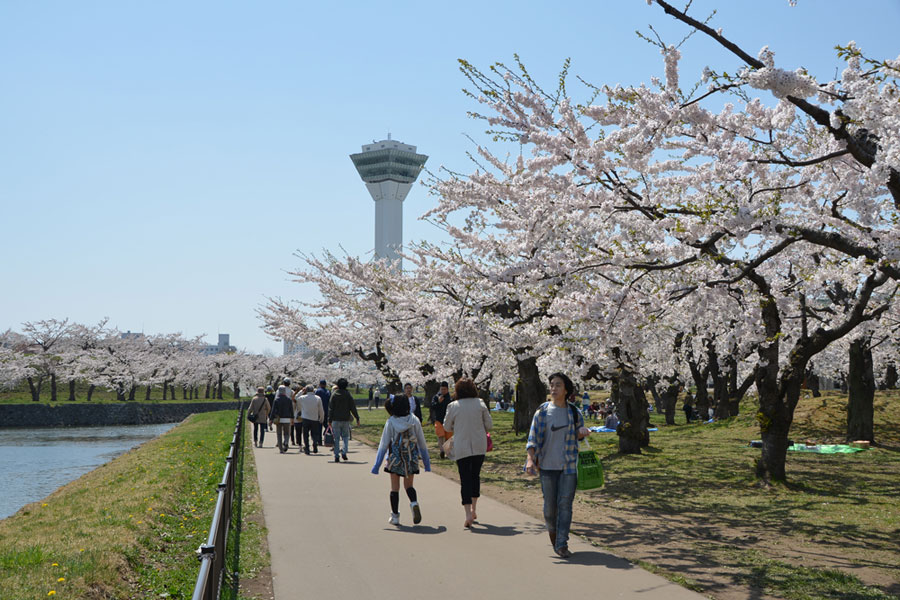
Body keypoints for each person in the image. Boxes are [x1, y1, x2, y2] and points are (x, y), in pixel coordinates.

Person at [525, 372, 590, 559]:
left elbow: (577, 433)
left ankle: (562, 543)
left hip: (568, 467)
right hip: (546, 466)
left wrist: (582, 432)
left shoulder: (574, 412)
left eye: (558, 385)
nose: (553, 388)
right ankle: (553, 533)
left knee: (565, 505)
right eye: (552, 385)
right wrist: (530, 459)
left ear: (566, 389)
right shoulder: (542, 412)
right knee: (549, 509)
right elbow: (532, 439)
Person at [371, 394, 431, 526]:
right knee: (409, 486)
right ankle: (414, 503)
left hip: (395, 459)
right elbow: (422, 442)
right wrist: (427, 463)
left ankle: (395, 516)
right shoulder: (414, 420)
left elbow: (383, 444)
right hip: (411, 457)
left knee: (395, 488)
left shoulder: (391, 422)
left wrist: (376, 466)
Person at [443, 378, 492, 528]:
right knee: (475, 475)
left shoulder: (453, 406)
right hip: (479, 445)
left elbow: (447, 427)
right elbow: (489, 425)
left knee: (465, 478)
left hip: (462, 446)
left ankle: (467, 514)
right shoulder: (480, 403)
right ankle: (474, 509)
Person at [329, 378, 360, 463]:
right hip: (345, 419)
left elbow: (331, 408)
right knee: (346, 437)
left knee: (336, 438)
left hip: (335, 419)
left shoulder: (334, 394)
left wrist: (329, 420)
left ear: (338, 385)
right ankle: (344, 451)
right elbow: (353, 407)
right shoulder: (348, 395)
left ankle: (336, 455)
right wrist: (357, 418)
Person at [297, 385, 325, 454]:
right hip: (314, 418)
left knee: (305, 434)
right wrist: (322, 418)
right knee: (315, 433)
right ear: (313, 390)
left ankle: (307, 447)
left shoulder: (302, 398)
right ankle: (315, 443)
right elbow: (321, 410)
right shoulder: (318, 398)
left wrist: (301, 391)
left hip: (305, 418)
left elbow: (296, 398)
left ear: (306, 390)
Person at [269, 382, 295, 453]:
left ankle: (281, 448)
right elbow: (291, 410)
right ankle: (286, 442)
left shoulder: (276, 400)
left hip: (278, 419)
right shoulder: (289, 399)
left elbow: (273, 410)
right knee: (287, 433)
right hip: (287, 419)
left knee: (279, 434)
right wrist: (292, 418)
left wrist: (271, 419)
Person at [430, 381, 453, 458]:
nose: (443, 391)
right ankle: (442, 451)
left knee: (448, 437)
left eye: (444, 389)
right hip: (438, 419)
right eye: (441, 389)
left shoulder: (450, 398)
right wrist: (438, 402)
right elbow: (432, 406)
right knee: (441, 435)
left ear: (447, 389)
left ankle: (448, 452)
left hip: (448, 420)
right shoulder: (436, 397)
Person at [315, 379, 331, 445]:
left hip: (319, 410)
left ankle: (319, 441)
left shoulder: (318, 391)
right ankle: (328, 435)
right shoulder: (328, 391)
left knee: (319, 426)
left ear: (320, 384)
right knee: (326, 424)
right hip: (326, 410)